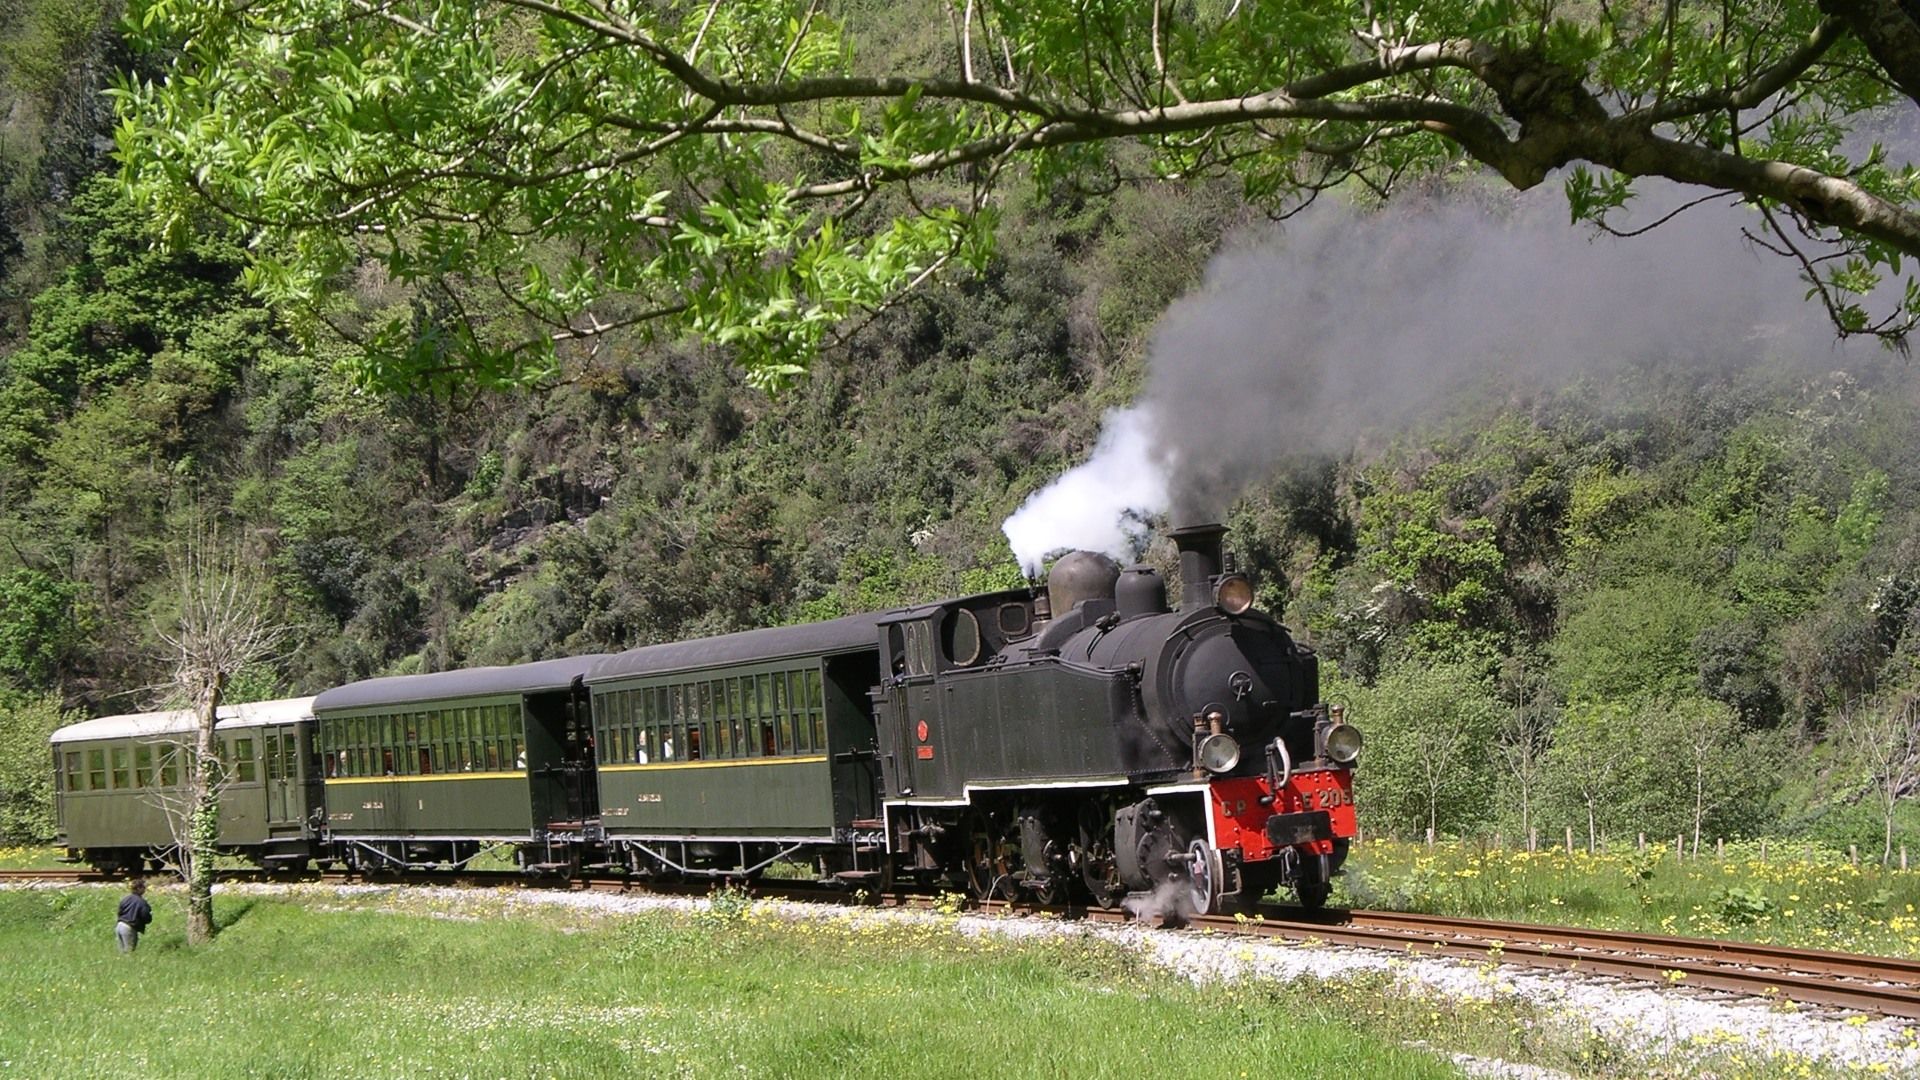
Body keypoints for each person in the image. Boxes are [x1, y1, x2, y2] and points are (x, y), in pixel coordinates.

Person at [116, 880, 152, 953]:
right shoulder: (141, 902)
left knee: (122, 952)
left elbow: (119, 912)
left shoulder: (125, 899)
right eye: (143, 887)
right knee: (129, 951)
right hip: (129, 928)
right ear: (138, 888)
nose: (145, 889)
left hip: (119, 926)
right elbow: (145, 916)